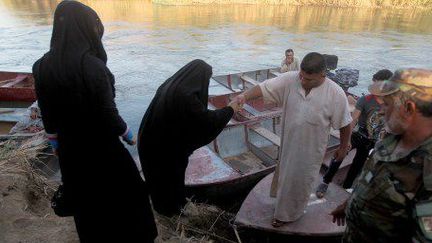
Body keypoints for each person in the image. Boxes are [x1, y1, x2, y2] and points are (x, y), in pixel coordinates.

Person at [32, 1, 157, 242]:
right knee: (131, 199)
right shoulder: (93, 67)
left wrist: (56, 145)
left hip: (71, 153)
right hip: (103, 151)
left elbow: (47, 113)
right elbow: (109, 115)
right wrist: (129, 134)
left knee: (87, 208)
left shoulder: (41, 66)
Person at [233, 52, 352, 227]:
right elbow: (265, 87)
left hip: (311, 149)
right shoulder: (291, 79)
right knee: (286, 174)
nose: (303, 81)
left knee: (300, 181)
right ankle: (282, 204)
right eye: (301, 76)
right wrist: (244, 96)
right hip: (289, 142)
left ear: (323, 75)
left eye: (309, 79)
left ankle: (286, 215)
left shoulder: (335, 93)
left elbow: (345, 123)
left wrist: (343, 146)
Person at [331, 68, 432, 242]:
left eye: (386, 104)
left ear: (408, 108)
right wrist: (349, 204)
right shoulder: (391, 139)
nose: (380, 111)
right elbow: (372, 179)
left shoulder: (427, 170)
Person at [137, 59, 241, 217]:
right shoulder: (186, 98)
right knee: (168, 180)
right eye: (206, 79)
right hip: (162, 148)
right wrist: (230, 109)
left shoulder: (171, 85)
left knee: (159, 180)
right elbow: (206, 122)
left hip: (150, 140)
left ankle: (166, 208)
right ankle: (170, 213)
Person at [316, 69, 393, 198]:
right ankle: (325, 181)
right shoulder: (365, 99)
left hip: (373, 141)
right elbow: (353, 120)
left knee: (358, 164)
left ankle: (347, 186)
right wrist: (347, 142)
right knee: (339, 156)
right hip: (359, 135)